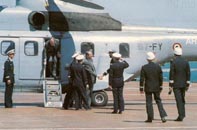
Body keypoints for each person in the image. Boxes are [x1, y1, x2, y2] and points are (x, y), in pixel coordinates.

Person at [140, 52, 167, 123]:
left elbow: (142, 79)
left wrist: (141, 88)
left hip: (148, 87)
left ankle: (150, 118)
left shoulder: (144, 67)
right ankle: (163, 116)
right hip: (156, 87)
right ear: (153, 58)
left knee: (149, 103)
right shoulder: (158, 67)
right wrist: (161, 86)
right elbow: (160, 78)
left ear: (147, 59)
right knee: (158, 101)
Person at [169, 47, 190, 121]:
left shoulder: (173, 62)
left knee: (178, 100)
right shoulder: (186, 62)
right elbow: (188, 73)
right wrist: (187, 84)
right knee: (182, 99)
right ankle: (183, 114)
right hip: (183, 84)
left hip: (176, 85)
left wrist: (170, 85)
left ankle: (181, 115)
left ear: (175, 54)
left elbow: (171, 74)